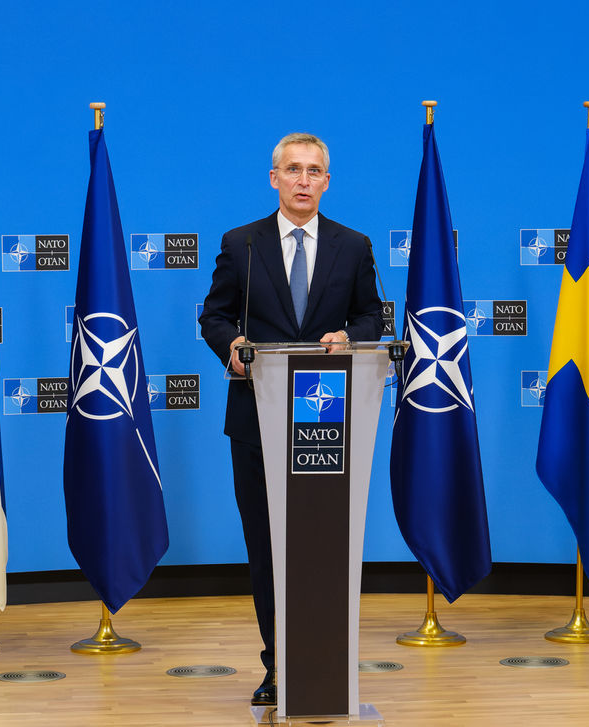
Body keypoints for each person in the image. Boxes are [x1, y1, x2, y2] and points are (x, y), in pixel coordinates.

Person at [199, 133, 383, 706]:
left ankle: (322, 658)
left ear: (327, 181)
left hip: (326, 418)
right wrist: (231, 345)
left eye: (315, 171)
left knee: (322, 543)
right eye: (293, 170)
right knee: (269, 545)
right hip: (257, 416)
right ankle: (277, 664)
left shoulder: (353, 246)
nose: (304, 180)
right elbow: (214, 316)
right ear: (274, 178)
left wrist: (349, 337)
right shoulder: (242, 245)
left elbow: (371, 314)